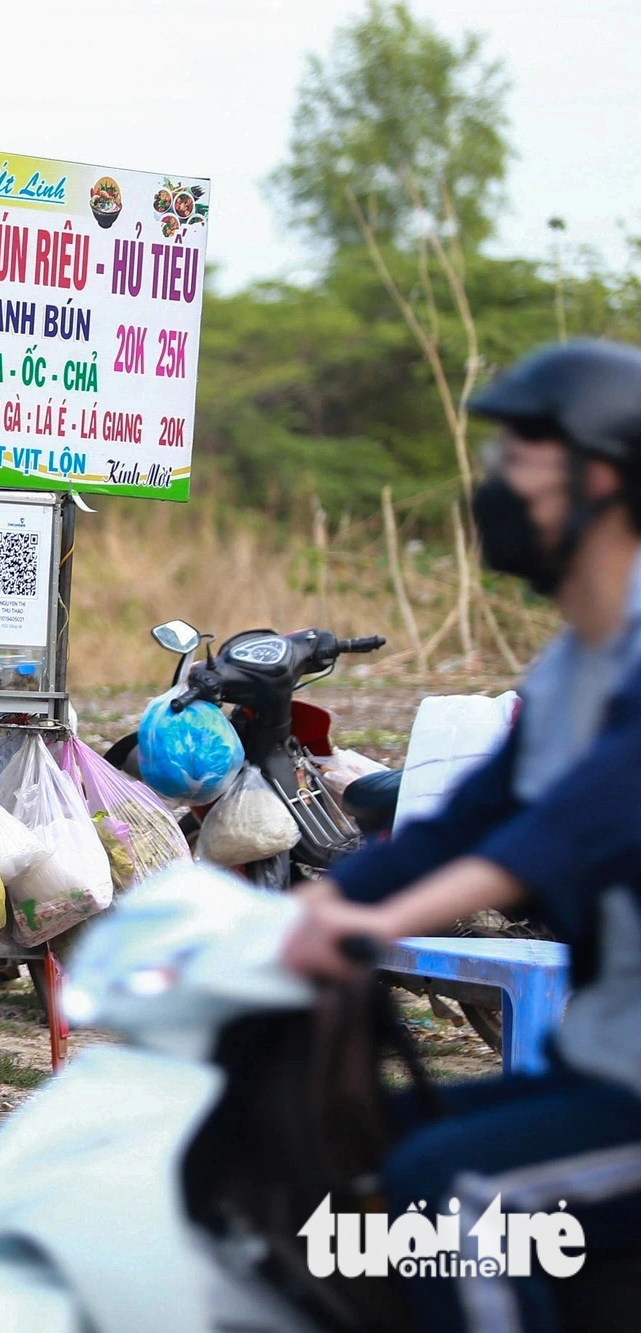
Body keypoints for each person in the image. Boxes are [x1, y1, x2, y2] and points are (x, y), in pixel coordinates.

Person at [284, 341, 641, 1331]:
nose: (491, 484)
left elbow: (580, 821)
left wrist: (383, 919)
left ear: (600, 475)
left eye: (519, 454)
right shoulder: (575, 664)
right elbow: (471, 819)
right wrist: (310, 904)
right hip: (606, 1063)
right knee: (336, 1162)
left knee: (454, 1192)